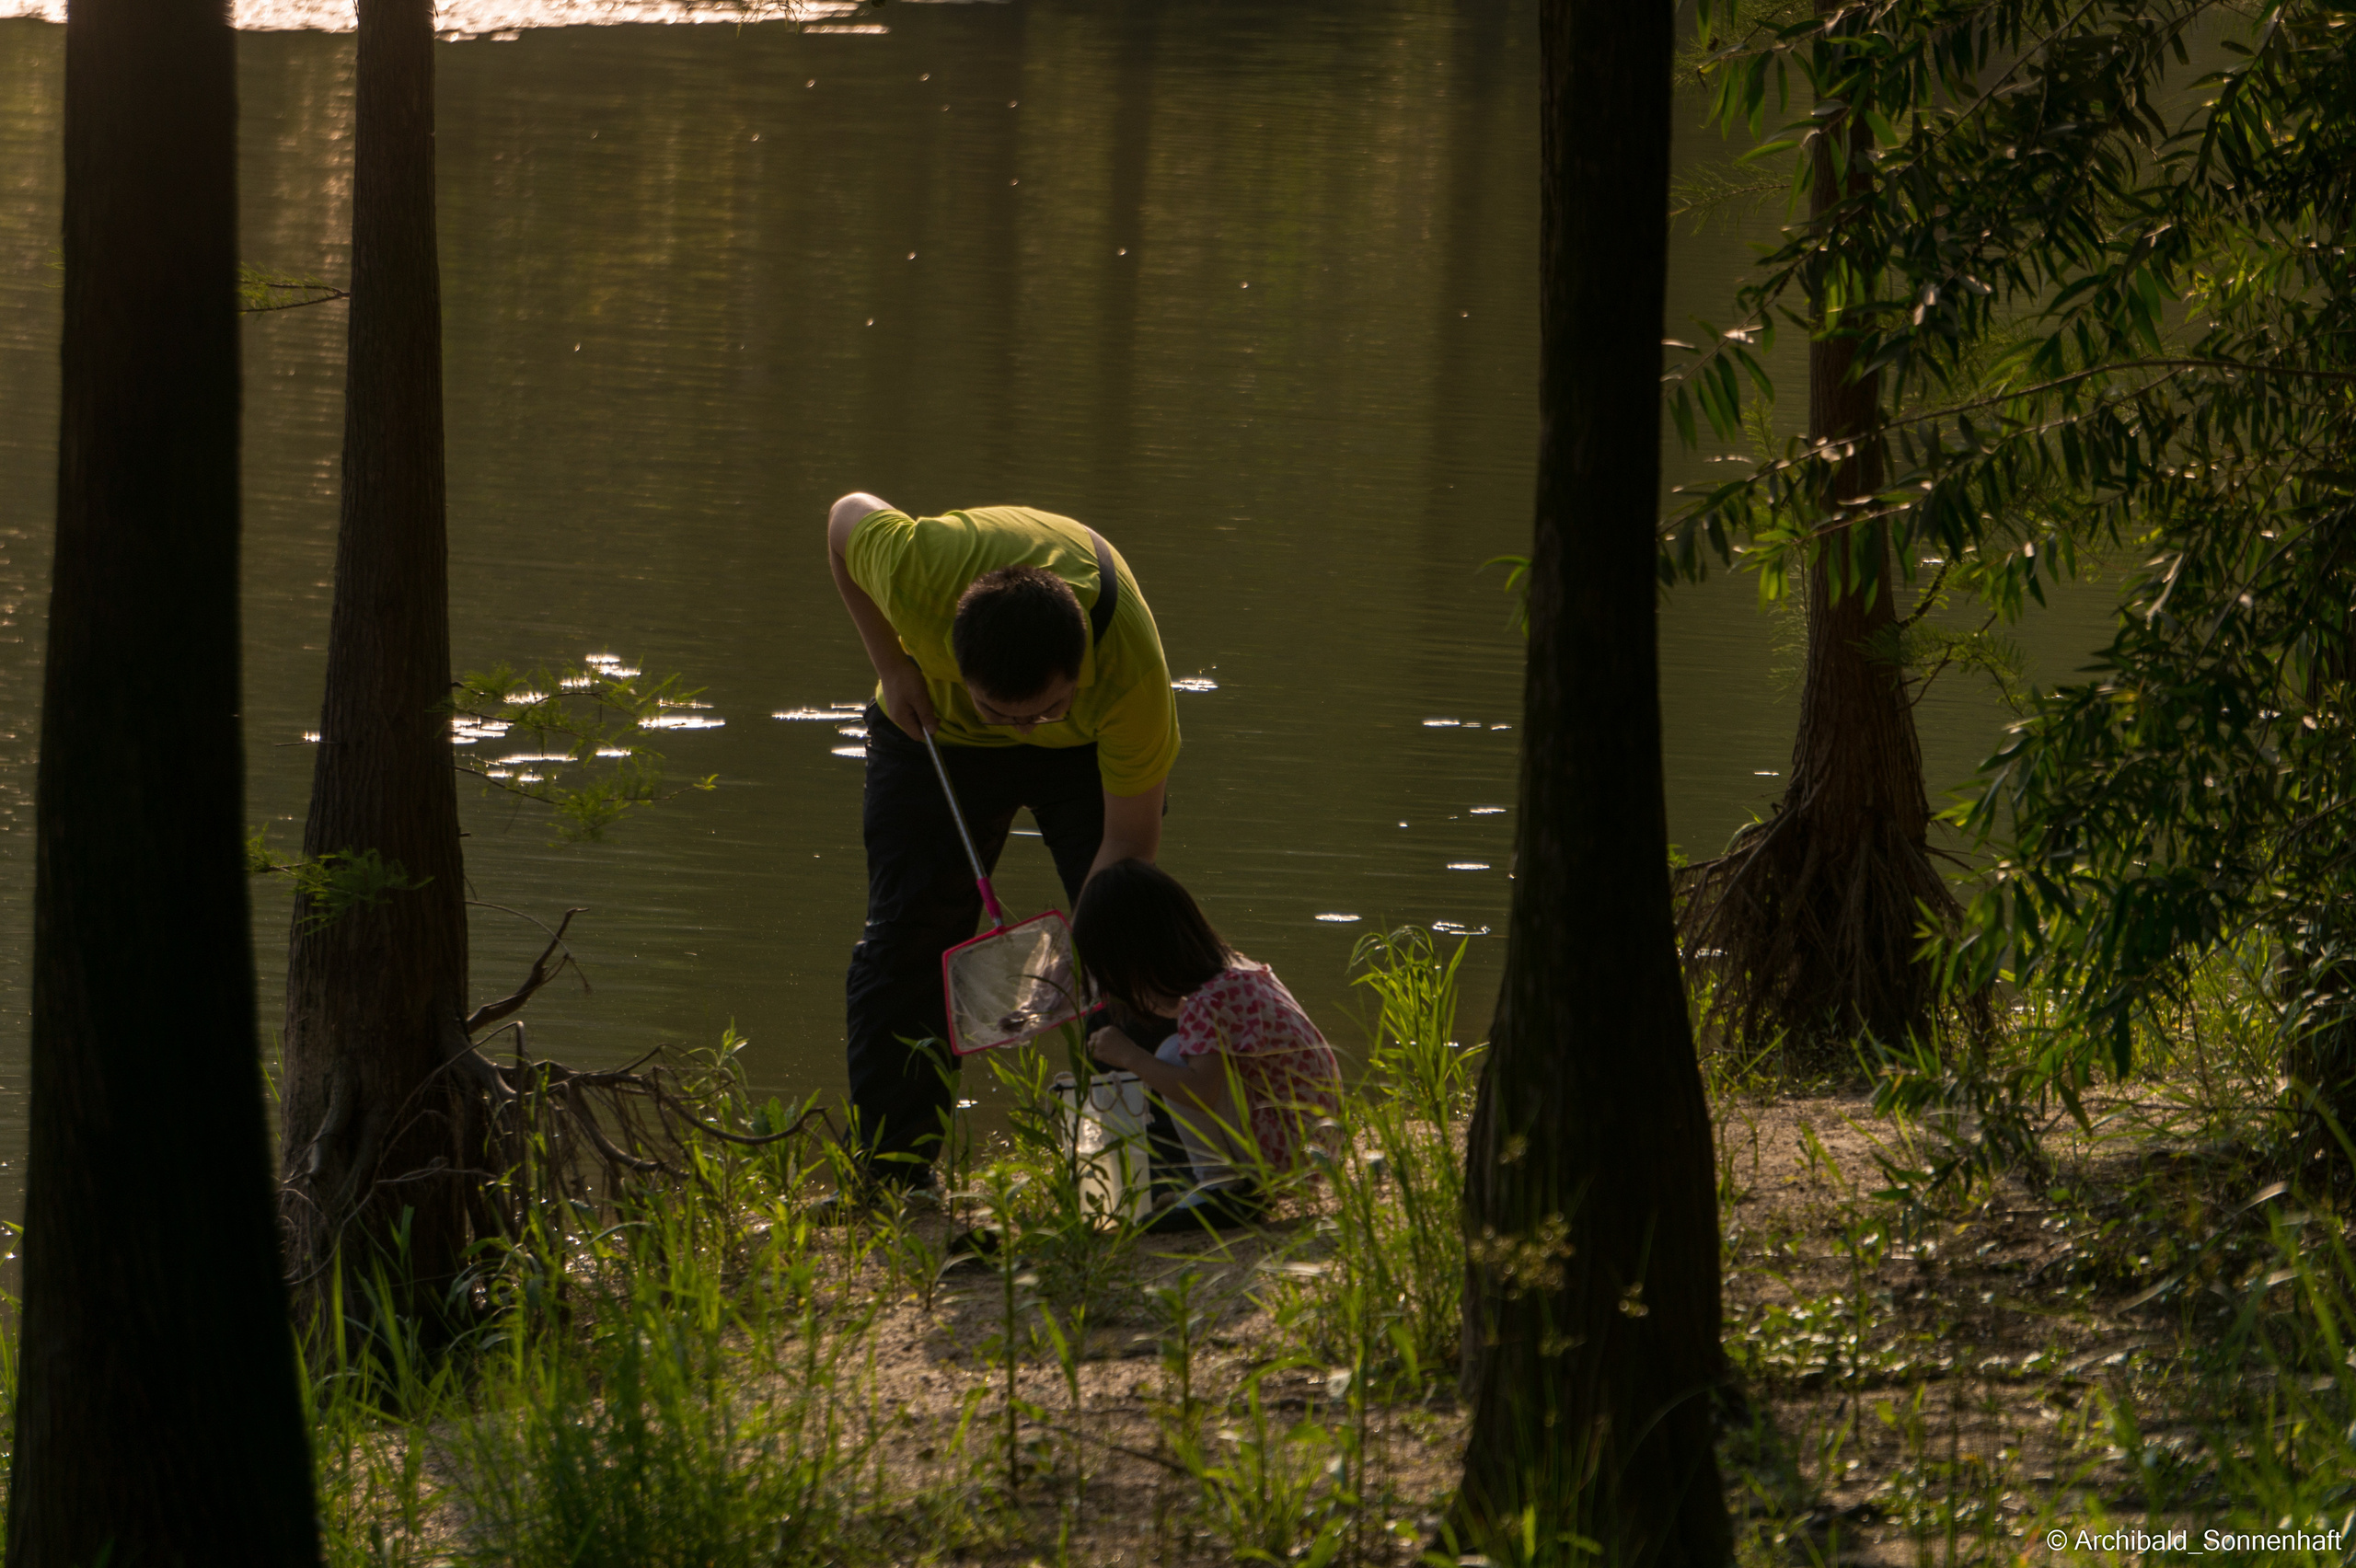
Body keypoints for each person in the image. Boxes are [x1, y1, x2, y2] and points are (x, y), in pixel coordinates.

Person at [826, 493, 1180, 1196]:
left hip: (1086, 755)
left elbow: (1128, 844)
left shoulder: (1130, 679)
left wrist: (1073, 956)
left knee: (1126, 932)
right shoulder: (916, 576)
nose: (1024, 728)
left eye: (1047, 706)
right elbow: (843, 520)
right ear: (949, 649)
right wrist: (894, 668)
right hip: (936, 728)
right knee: (907, 935)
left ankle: (1131, 1175)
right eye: (1004, 712)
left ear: (1081, 669)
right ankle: (895, 1176)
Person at [1074, 859, 1343, 1228]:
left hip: (1287, 1156)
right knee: (1180, 1051)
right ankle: (1229, 1188)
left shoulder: (1206, 1001)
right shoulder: (1237, 973)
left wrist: (1130, 1055)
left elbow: (1201, 1090)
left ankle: (1220, 1192)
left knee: (1172, 1054)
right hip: (1312, 1144)